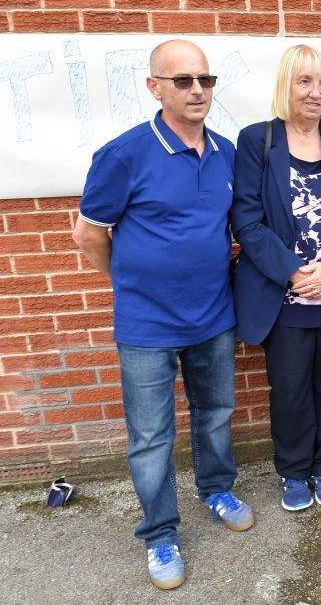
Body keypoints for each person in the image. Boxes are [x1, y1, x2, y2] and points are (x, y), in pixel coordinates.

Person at [72, 39, 253, 590]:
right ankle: (160, 533)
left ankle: (216, 488)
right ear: (155, 87)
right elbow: (88, 234)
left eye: (205, 79)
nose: (197, 89)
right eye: (182, 80)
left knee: (215, 412)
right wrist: (128, 283)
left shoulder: (226, 153)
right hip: (146, 324)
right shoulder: (123, 154)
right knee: (151, 436)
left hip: (213, 316)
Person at [231, 45, 321, 512]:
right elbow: (247, 221)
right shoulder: (257, 140)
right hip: (284, 298)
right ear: (286, 86)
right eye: (305, 82)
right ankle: (293, 472)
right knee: (290, 389)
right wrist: (294, 273)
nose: (315, 93)